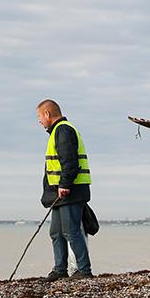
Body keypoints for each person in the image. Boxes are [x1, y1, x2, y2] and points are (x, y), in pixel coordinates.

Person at [37, 99, 93, 281]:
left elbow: (70, 161)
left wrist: (64, 185)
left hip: (70, 192)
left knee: (71, 231)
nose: (39, 121)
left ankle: (84, 270)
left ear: (47, 114)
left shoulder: (64, 130)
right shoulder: (57, 132)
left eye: (39, 116)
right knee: (56, 232)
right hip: (58, 194)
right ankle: (60, 269)